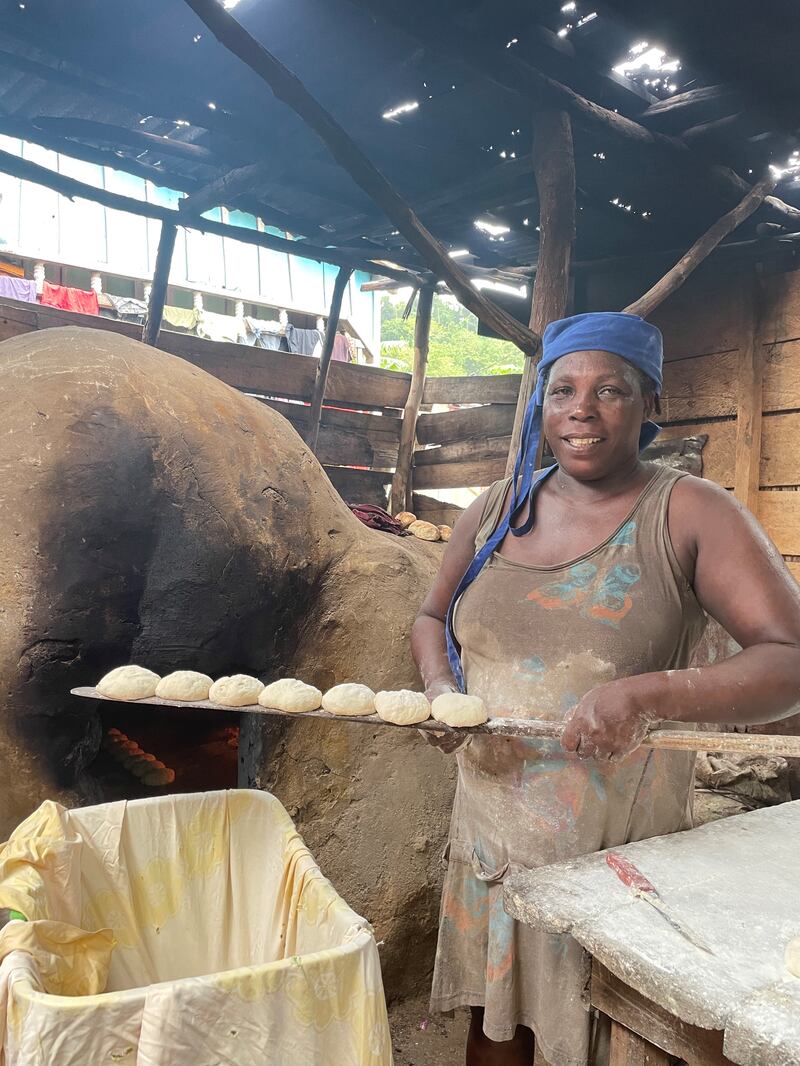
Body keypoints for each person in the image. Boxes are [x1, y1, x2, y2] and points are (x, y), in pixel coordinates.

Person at [412, 312, 800, 1066]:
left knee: (599, 1039)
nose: (581, 409)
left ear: (650, 402)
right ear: (541, 405)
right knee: (496, 1032)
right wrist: (437, 687)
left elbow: (790, 658)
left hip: (610, 867)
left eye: (610, 389)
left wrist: (647, 695)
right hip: (491, 847)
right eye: (562, 390)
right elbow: (432, 615)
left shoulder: (687, 512)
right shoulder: (497, 508)